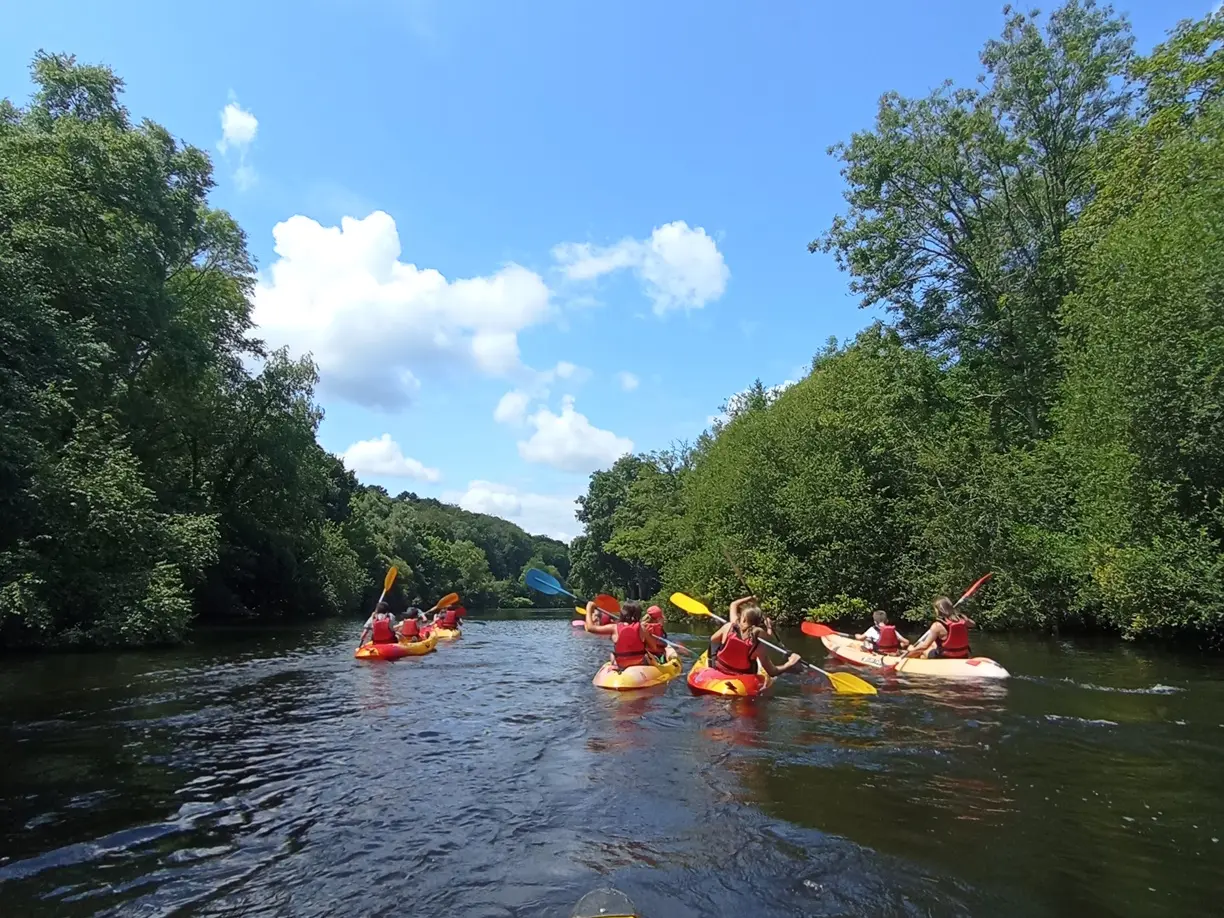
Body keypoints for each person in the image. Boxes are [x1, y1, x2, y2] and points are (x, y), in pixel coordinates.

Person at [709, 596, 801, 677]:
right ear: (757, 623)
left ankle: (712, 663)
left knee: (717, 644)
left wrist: (750, 598)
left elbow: (713, 639)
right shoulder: (759, 646)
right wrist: (790, 663)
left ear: (743, 618)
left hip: (720, 667)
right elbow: (772, 672)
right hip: (743, 674)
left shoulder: (728, 626)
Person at [585, 599, 667, 668]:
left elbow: (590, 628)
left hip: (621, 664)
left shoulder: (614, 628)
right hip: (639, 663)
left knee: (612, 655)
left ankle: (615, 667)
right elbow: (653, 647)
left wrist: (589, 608)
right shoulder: (642, 628)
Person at [906, 597, 975, 659]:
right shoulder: (963, 618)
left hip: (945, 656)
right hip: (963, 654)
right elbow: (973, 624)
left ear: (938, 610)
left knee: (923, 652)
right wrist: (963, 617)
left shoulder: (937, 625)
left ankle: (912, 657)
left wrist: (911, 651)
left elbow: (924, 646)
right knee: (933, 644)